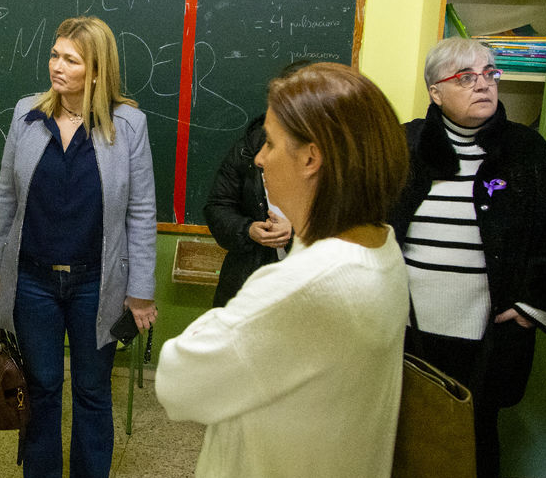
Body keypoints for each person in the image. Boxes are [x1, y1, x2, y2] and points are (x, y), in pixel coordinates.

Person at [156, 62, 410, 478]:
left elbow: (177, 382)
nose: (259, 159)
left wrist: (223, 323)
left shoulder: (304, 286)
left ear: (312, 157)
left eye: (271, 144)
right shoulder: (382, 247)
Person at [388, 37, 546, 478]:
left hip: (486, 334)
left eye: (490, 73)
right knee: (405, 440)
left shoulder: (527, 152)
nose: (484, 85)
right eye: (466, 77)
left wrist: (534, 306)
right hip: (406, 328)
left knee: (474, 444)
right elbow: (371, 222)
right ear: (435, 91)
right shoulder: (404, 144)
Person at [0, 16, 157, 478]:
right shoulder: (27, 114)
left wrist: (140, 290)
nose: (56, 67)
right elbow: (7, 196)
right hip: (33, 282)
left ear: (97, 71)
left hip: (95, 285)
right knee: (40, 389)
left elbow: (141, 212)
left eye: (70, 59)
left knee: (91, 391)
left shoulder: (129, 125)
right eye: (54, 54)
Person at [202, 62, 312, 307]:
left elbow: (339, 225)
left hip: (303, 294)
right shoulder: (250, 146)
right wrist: (248, 229)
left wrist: (296, 231)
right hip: (246, 283)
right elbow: (218, 205)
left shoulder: (339, 163)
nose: (260, 160)